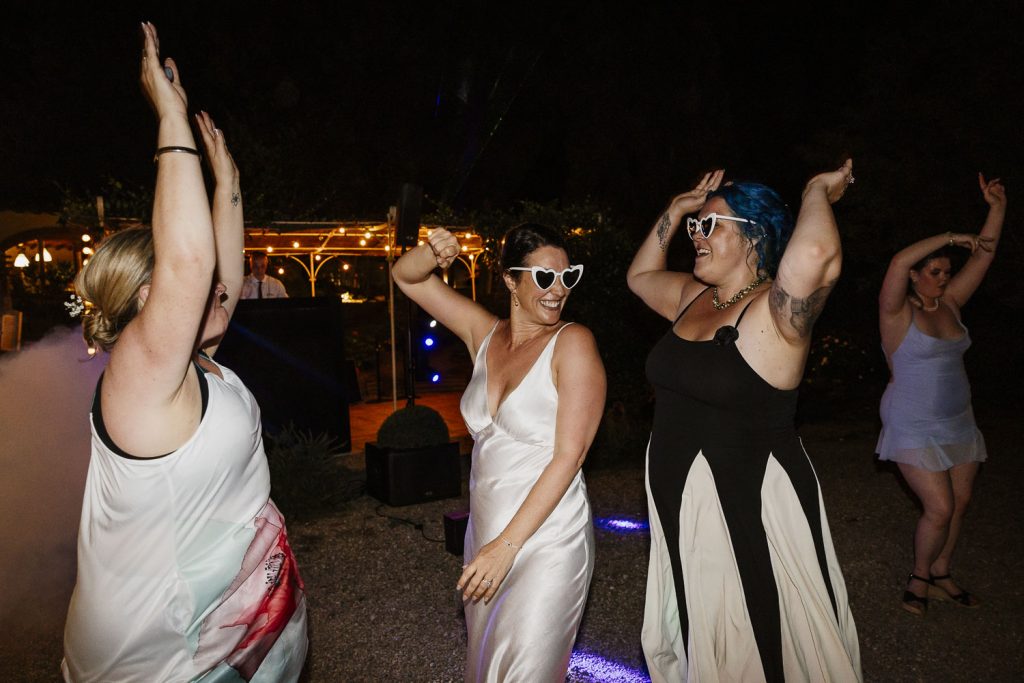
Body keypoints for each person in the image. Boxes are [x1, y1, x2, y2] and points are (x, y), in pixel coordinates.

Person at [62, 23, 307, 682]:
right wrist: (169, 120)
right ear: (150, 299)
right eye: (186, 289)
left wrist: (226, 184)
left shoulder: (195, 362)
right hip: (158, 660)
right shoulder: (140, 382)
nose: (215, 294)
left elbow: (216, 275)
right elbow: (194, 264)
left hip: (225, 642)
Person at [628, 162, 862, 682]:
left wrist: (816, 189)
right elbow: (640, 276)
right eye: (696, 227)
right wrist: (677, 209)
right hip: (683, 506)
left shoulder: (777, 316)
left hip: (745, 505)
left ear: (755, 236)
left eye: (711, 225)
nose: (697, 236)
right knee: (704, 633)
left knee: (758, 640)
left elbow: (818, 255)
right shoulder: (694, 298)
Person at [393, 223, 605, 682]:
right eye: (544, 278)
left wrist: (507, 547)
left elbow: (571, 455)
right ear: (510, 279)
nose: (558, 290)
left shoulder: (573, 343)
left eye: (568, 277)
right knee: (488, 667)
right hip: (485, 532)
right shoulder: (482, 335)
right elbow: (407, 277)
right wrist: (432, 251)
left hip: (547, 537)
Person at [877, 173, 1006, 616]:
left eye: (946, 272)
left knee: (961, 503)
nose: (942, 278)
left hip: (958, 419)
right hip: (913, 423)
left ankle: (943, 570)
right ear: (915, 277)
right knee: (940, 506)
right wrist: (951, 235)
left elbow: (983, 260)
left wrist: (996, 208)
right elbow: (895, 263)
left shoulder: (949, 304)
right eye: (934, 271)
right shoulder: (896, 314)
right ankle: (918, 576)